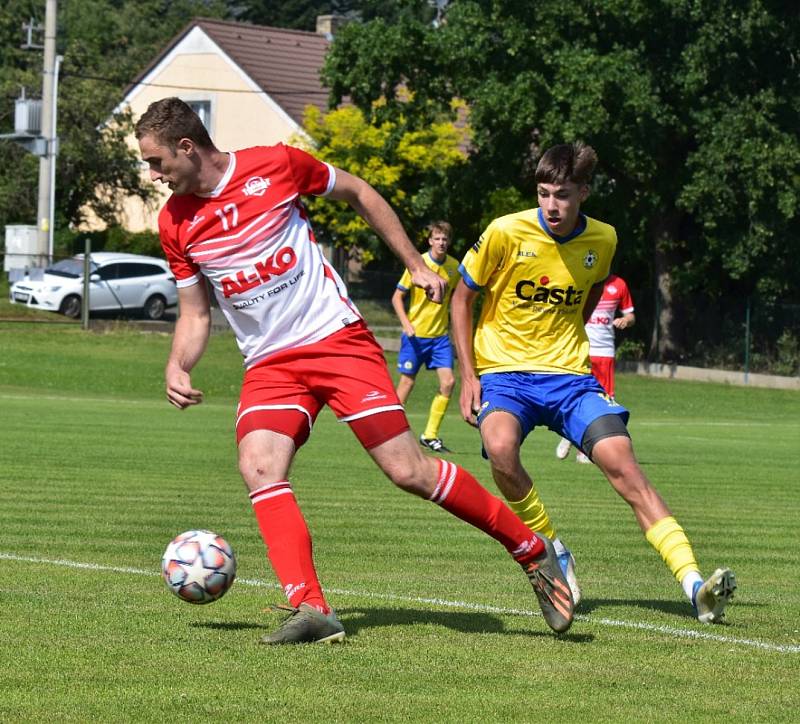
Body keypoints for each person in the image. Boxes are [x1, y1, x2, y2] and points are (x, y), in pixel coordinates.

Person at [135, 97, 574, 643]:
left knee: (409, 471)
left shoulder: (276, 164)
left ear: (185, 146)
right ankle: (311, 608)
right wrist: (178, 363)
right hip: (271, 363)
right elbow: (196, 313)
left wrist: (415, 263)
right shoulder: (175, 222)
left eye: (155, 162)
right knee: (259, 465)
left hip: (336, 341)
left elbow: (360, 192)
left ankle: (532, 551)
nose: (153, 174)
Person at [450, 141, 736, 623]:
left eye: (561, 195)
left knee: (624, 466)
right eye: (543, 194)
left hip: (569, 380)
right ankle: (553, 550)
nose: (551, 206)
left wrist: (568, 346)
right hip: (505, 376)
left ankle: (694, 587)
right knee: (500, 449)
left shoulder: (603, 239)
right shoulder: (504, 231)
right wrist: (468, 375)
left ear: (584, 191)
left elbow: (587, 296)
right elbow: (461, 299)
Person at [391, 221, 459, 453]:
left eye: (445, 239)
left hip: (440, 338)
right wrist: (406, 324)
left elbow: (458, 300)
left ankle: (430, 435)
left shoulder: (453, 267)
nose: (441, 242)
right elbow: (397, 297)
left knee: (449, 382)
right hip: (415, 336)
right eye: (437, 238)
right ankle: (392, 434)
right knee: (407, 383)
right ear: (430, 240)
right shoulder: (417, 265)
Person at [556, 273, 635, 463]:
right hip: (581, 349)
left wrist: (626, 321)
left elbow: (630, 315)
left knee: (604, 401)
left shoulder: (619, 284)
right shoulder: (584, 278)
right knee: (576, 395)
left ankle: (583, 449)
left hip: (605, 351)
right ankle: (571, 437)